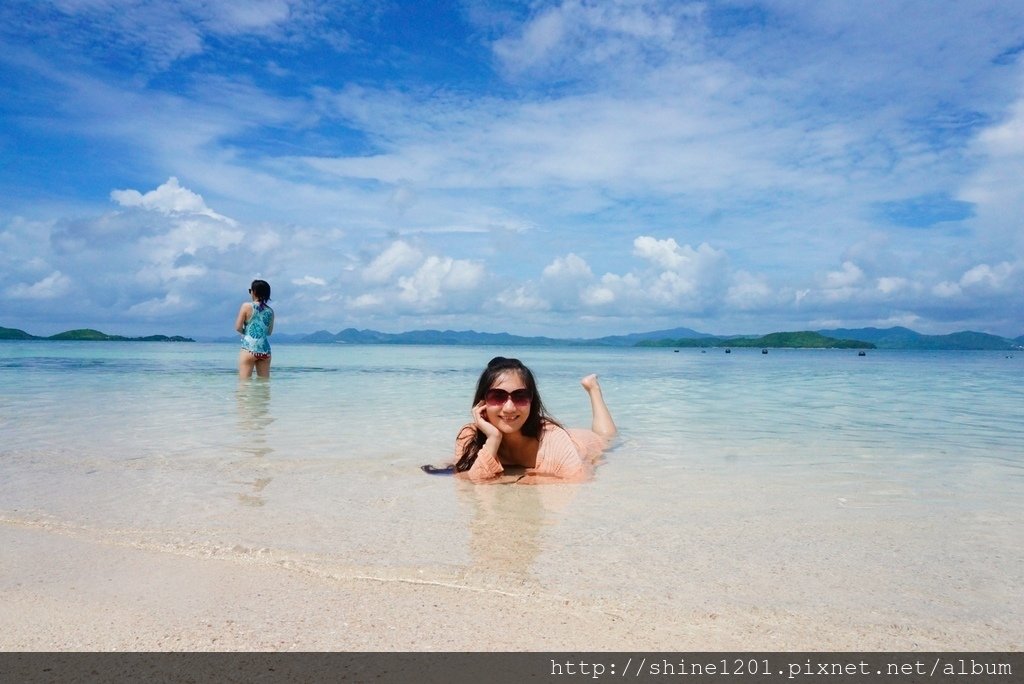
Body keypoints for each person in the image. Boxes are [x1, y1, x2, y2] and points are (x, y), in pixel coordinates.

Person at [427, 356, 616, 483]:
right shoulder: (470, 435)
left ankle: (593, 388)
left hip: (580, 443)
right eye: (497, 396)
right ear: (482, 402)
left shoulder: (553, 440)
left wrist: (529, 479)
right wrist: (493, 438)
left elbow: (579, 479)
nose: (509, 408)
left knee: (607, 439)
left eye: (520, 396)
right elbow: (476, 480)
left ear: (531, 401)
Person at [235, 279, 274, 378]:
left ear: (254, 291)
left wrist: (246, 332)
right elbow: (269, 332)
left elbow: (238, 327)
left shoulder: (246, 306)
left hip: (249, 348)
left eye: (250, 290)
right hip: (265, 350)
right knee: (264, 385)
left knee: (244, 384)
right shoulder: (270, 311)